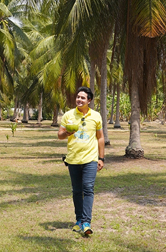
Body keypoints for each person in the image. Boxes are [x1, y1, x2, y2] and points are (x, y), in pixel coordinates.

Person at [58, 86, 105, 236]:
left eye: (83, 97)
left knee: (88, 188)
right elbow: (59, 135)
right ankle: (78, 220)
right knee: (77, 191)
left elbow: (100, 137)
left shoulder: (96, 116)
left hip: (90, 159)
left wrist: (101, 158)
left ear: (89, 100)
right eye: (78, 97)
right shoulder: (68, 115)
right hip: (73, 159)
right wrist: (67, 132)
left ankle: (86, 222)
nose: (79, 99)